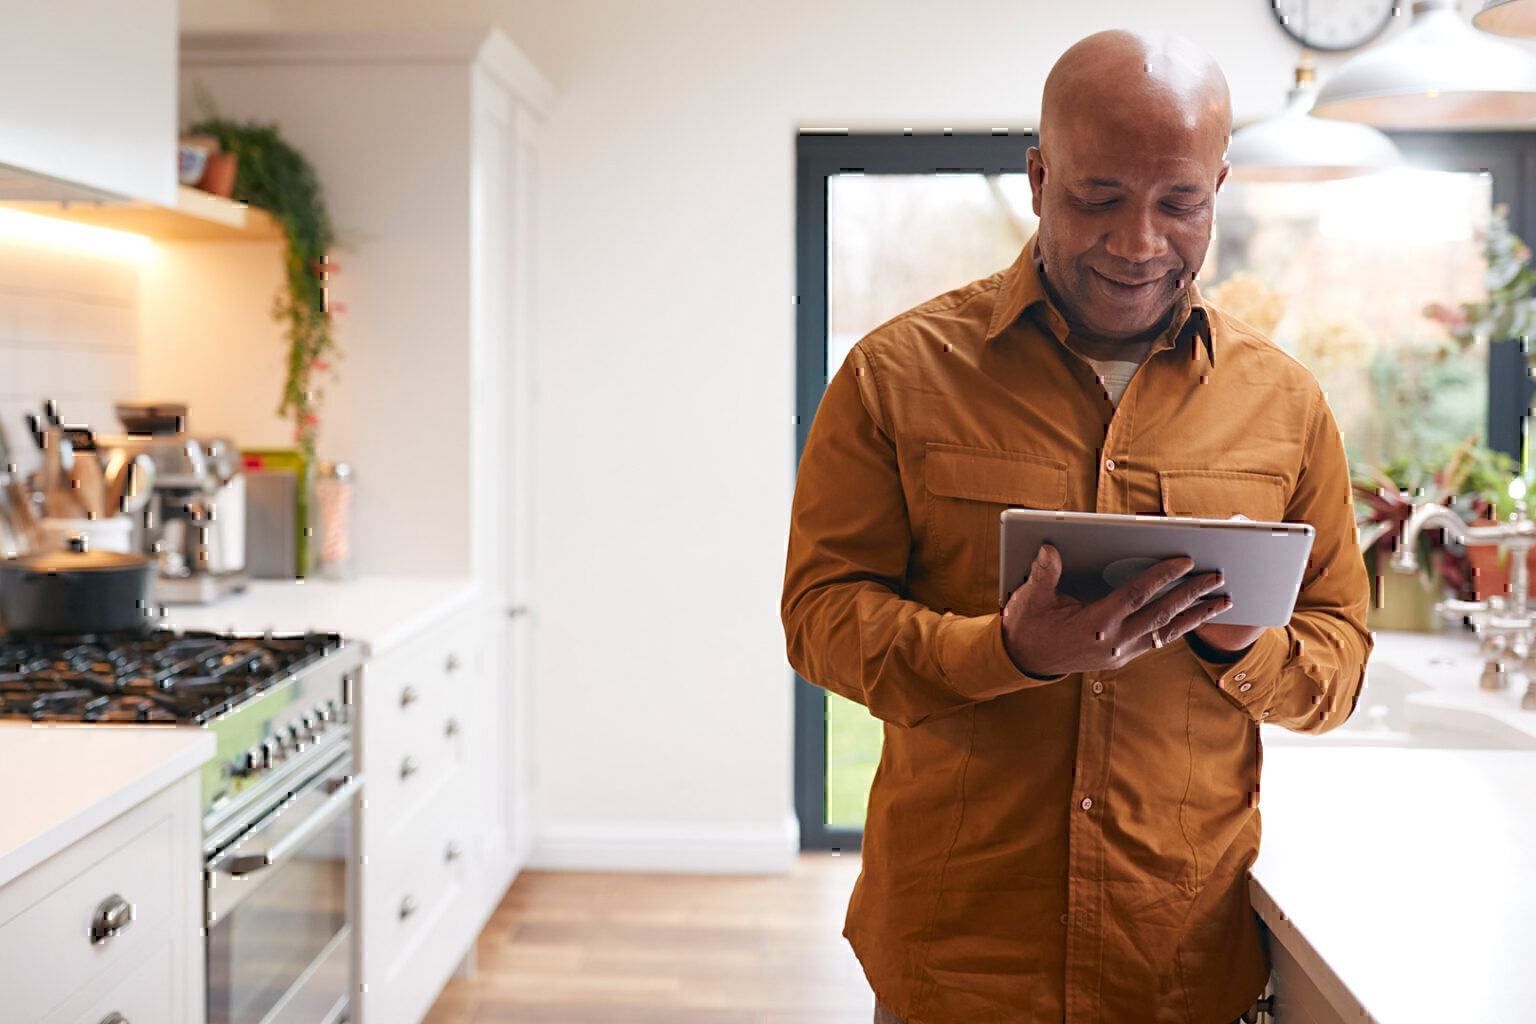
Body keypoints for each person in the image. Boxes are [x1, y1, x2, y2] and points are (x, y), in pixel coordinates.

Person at [780, 28, 1372, 1024]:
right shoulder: (895, 376)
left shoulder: (1288, 406)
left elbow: (1340, 662)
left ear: (1217, 190)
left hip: (1179, 966)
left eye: (1179, 203)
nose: (1139, 242)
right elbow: (820, 619)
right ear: (1040, 176)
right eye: (1098, 196)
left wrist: (1243, 643)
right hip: (959, 965)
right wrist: (1005, 649)